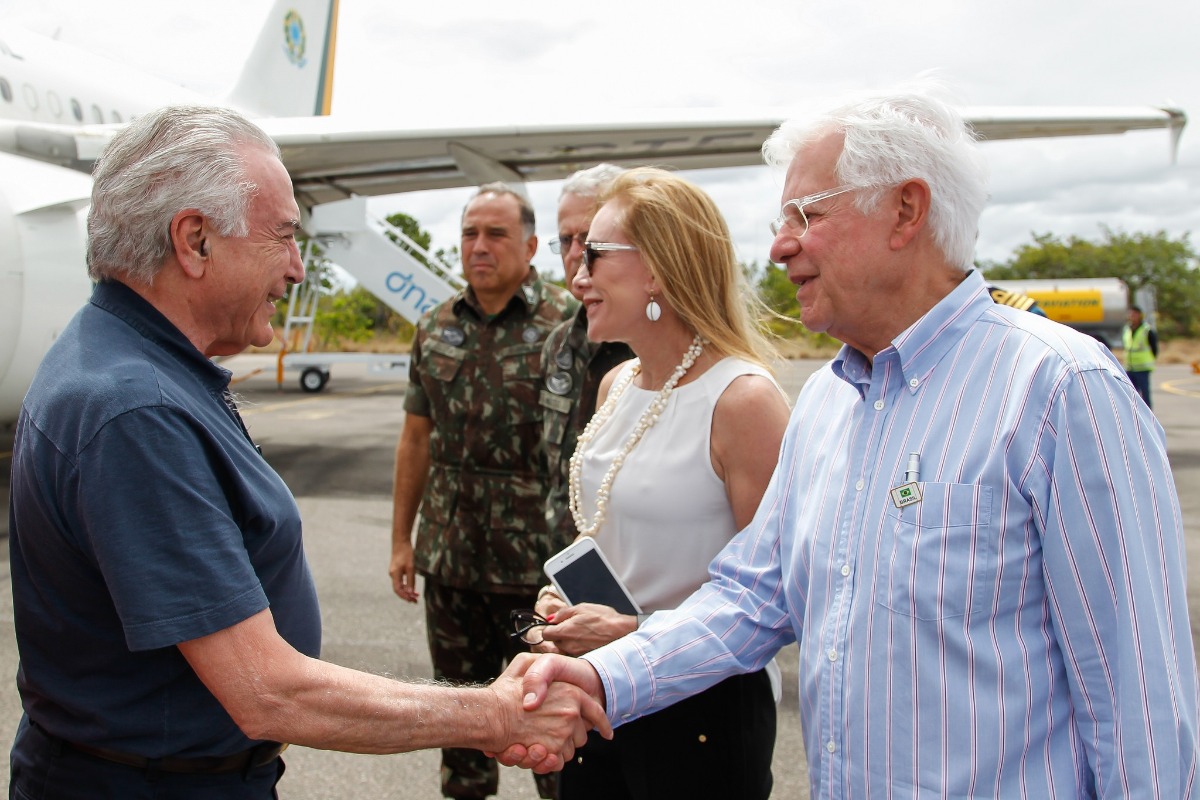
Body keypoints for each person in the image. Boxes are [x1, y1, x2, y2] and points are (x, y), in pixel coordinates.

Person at [511, 88, 1200, 796]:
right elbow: (753, 597)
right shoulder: (827, 405)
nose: (779, 247)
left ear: (906, 210)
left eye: (807, 216)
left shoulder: (1060, 391)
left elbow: (1139, 704)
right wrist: (599, 674)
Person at [6, 105, 608, 800]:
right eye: (283, 236)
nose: (296, 269)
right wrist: (494, 712)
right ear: (195, 241)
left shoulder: (133, 364)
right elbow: (266, 690)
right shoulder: (134, 411)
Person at [528, 167, 790, 799]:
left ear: (657, 269)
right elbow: (609, 531)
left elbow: (780, 596)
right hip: (603, 693)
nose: (577, 273)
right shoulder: (619, 383)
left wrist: (633, 631)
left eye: (594, 253)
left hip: (702, 710)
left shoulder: (743, 401)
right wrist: (558, 602)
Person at [389, 182, 580, 799]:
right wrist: (402, 539)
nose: (479, 246)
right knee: (461, 725)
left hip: (537, 571)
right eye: (470, 232)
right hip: (451, 561)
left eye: (496, 234)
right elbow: (416, 439)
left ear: (529, 246)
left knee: (548, 726)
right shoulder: (435, 326)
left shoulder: (569, 325)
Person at [540, 164, 634, 542]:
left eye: (591, 238)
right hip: (560, 568)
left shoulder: (666, 352)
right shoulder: (559, 344)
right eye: (566, 240)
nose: (577, 253)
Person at [1123, 304, 1158, 408]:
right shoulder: (1127, 329)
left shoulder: (1147, 330)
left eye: (1134, 314)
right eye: (1130, 314)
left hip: (1143, 368)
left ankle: (1148, 418)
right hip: (1130, 367)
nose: (1132, 316)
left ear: (1139, 315)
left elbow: (1154, 348)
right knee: (1131, 395)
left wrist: (1150, 359)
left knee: (1145, 394)